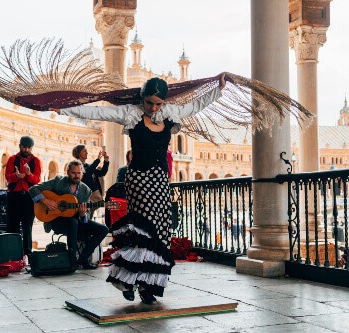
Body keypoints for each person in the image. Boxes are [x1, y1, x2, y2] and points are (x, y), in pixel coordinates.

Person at [52, 74, 225, 303]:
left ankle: (147, 285)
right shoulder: (130, 114)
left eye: (158, 103)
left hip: (160, 181)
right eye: (149, 102)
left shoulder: (170, 113)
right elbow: (97, 112)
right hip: (139, 180)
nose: (153, 108)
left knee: (160, 232)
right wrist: (64, 109)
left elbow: (196, 105)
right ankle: (127, 279)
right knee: (142, 229)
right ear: (142, 98)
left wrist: (218, 89)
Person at [29, 160, 109, 269]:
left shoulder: (86, 191)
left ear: (82, 173)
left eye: (79, 173)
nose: (76, 176)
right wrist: (46, 201)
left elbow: (86, 216)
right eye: (73, 173)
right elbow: (33, 188)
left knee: (103, 229)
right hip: (57, 221)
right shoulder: (58, 181)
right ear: (67, 172)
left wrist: (82, 214)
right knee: (73, 222)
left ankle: (82, 259)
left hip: (77, 221)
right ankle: (72, 260)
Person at [5, 136, 41, 255]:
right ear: (20, 146)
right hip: (14, 196)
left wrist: (28, 174)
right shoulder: (11, 159)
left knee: (27, 226)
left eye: (28, 148)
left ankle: (28, 254)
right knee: (13, 225)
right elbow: (8, 177)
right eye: (24, 147)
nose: (26, 150)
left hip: (28, 197)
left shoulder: (36, 161)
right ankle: (13, 253)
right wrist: (17, 176)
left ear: (31, 148)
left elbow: (37, 180)